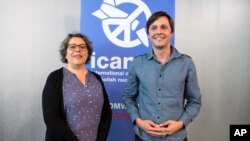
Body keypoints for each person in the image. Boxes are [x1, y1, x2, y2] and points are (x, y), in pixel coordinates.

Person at [122, 11, 202, 141]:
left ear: (172, 33)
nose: (159, 31)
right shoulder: (137, 63)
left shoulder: (186, 63)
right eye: (154, 28)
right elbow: (128, 97)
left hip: (176, 137)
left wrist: (180, 123)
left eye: (164, 27)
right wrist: (139, 122)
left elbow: (195, 101)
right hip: (143, 137)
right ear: (148, 34)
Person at [42, 33, 112, 141]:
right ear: (65, 53)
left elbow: (106, 113)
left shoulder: (96, 78)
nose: (77, 50)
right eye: (72, 47)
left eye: (82, 47)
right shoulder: (55, 79)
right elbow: (51, 118)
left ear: (87, 53)